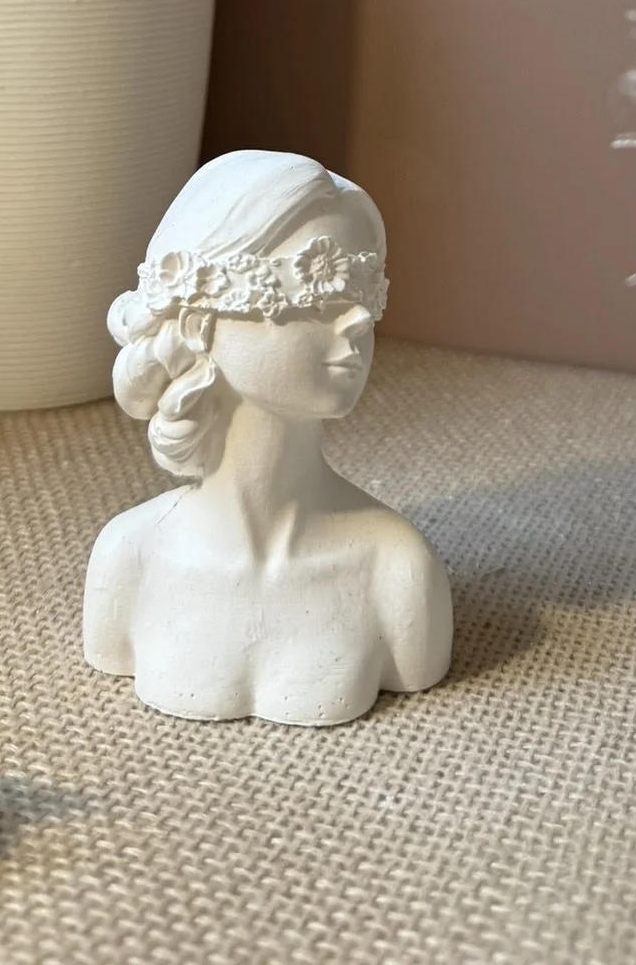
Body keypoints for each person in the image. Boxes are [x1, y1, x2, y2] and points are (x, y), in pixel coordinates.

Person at [83, 150, 453, 725]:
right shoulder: (127, 556)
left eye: (364, 295)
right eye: (317, 294)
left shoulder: (398, 571)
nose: (359, 322)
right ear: (199, 324)